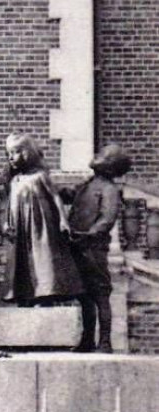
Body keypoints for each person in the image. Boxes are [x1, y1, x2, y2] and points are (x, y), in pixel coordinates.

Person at [1, 133, 84, 305]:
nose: (11, 157)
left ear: (26, 153)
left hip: (40, 226)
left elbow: (55, 197)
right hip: (20, 229)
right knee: (22, 260)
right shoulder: (15, 180)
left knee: (42, 259)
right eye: (8, 153)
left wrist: (63, 220)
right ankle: (24, 293)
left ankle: (45, 293)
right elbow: (10, 205)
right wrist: (7, 223)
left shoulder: (40, 176)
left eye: (15, 152)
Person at [66, 144, 132, 353]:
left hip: (93, 248)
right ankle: (87, 340)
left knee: (100, 295)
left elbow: (107, 217)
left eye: (103, 156)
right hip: (78, 244)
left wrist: (92, 233)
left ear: (111, 167)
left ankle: (105, 341)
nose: (97, 157)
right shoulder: (88, 184)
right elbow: (70, 195)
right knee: (84, 295)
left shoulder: (109, 189)